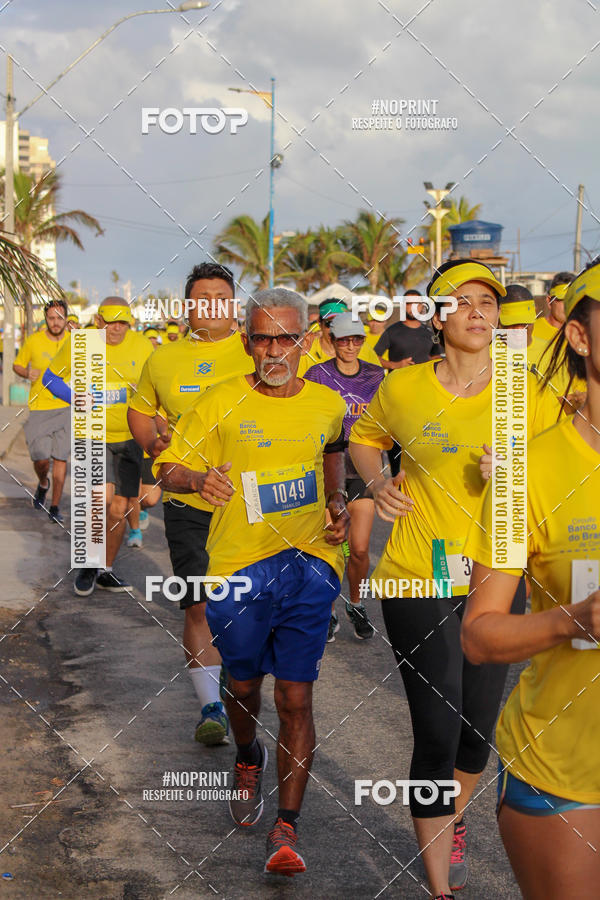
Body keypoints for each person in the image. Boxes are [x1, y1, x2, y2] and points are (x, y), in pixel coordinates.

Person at [349, 260, 559, 900]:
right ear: (437, 318)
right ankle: (438, 886)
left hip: (498, 572)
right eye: (461, 301)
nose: (477, 312)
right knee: (436, 731)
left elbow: (566, 466)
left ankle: (453, 817)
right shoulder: (404, 387)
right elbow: (363, 438)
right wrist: (378, 482)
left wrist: (518, 472)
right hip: (417, 574)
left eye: (486, 303)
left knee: (476, 733)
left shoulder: (526, 390)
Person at [155, 287, 349, 877]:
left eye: (286, 338)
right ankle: (247, 754)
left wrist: (337, 500)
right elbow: (167, 467)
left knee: (296, 696)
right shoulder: (219, 400)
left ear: (306, 342)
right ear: (246, 342)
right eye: (263, 338)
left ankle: (286, 826)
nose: (274, 350)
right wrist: (197, 481)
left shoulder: (327, 403)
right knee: (242, 688)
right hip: (237, 567)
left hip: (310, 563)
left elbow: (333, 452)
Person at [461, 258, 600, 899]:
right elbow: (480, 635)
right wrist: (575, 619)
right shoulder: (526, 472)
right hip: (565, 772)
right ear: (579, 336)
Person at [127, 263, 254, 747]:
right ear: (188, 306)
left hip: (252, 505)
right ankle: (211, 708)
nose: (213, 306)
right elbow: (140, 410)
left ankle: (242, 686)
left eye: (222, 297)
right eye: (204, 298)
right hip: (187, 500)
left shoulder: (256, 349)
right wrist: (153, 445)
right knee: (199, 603)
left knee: (248, 605)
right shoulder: (164, 359)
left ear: (233, 304)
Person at [43, 297, 153, 595]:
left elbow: (157, 386)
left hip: (129, 437)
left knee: (119, 508)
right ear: (98, 321)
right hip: (92, 434)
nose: (117, 329)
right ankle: (88, 564)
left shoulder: (142, 346)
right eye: (111, 322)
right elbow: (50, 379)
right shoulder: (82, 343)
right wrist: (74, 397)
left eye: (123, 323)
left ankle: (105, 569)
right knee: (99, 499)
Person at [305, 312, 384, 642]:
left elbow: (391, 419)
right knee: (332, 546)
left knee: (361, 549)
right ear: (332, 340)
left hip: (363, 470)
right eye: (344, 340)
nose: (351, 346)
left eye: (357, 339)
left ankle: (356, 604)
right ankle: (329, 611)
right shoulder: (317, 374)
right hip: (329, 469)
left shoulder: (376, 375)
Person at [13, 299, 70, 524]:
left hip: (66, 407)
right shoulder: (34, 341)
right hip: (39, 408)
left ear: (66, 318)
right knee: (41, 459)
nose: (55, 322)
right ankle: (43, 482)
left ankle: (54, 507)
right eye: (51, 318)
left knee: (61, 458)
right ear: (46, 319)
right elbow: (17, 364)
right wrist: (26, 373)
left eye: (59, 318)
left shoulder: (75, 342)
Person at [298, 298, 381, 374]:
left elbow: (378, 378)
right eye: (330, 323)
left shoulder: (362, 348)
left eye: (342, 323)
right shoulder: (307, 350)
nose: (336, 329)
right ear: (319, 322)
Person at [374, 288, 435, 371]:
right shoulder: (391, 331)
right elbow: (374, 356)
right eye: (409, 303)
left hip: (423, 379)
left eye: (416, 303)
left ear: (421, 306)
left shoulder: (429, 332)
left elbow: (436, 356)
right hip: (397, 378)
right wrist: (395, 365)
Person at [531, 272, 573, 344]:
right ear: (549, 301)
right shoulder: (530, 331)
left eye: (572, 300)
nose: (568, 305)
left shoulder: (584, 334)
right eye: (562, 300)